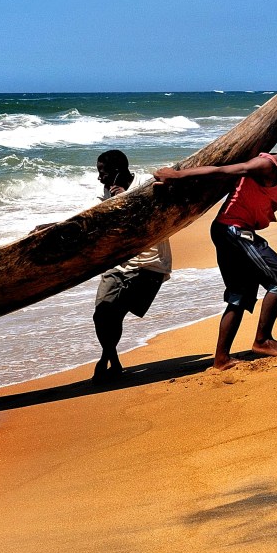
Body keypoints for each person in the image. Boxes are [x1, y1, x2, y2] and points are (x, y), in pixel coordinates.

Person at [153, 126, 277, 370]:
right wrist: (177, 176)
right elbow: (223, 171)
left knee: (240, 294)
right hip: (233, 230)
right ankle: (262, 340)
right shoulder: (266, 166)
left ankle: (221, 359)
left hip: (231, 231)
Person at [92, 150, 172, 382]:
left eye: (103, 173)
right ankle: (112, 360)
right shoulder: (106, 193)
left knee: (114, 314)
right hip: (118, 264)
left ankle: (107, 360)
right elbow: (97, 222)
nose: (100, 178)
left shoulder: (147, 185)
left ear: (118, 172)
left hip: (149, 264)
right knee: (101, 315)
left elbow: (161, 213)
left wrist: (127, 197)